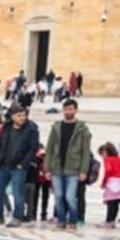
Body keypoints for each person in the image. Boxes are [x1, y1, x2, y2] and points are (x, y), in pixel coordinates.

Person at [0, 105, 38, 228]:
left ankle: (17, 217)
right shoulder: (7, 127)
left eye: (23, 115)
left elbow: (32, 148)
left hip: (18, 166)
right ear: (13, 116)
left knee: (17, 191)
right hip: (4, 164)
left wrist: (23, 163)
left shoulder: (32, 129)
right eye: (19, 115)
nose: (22, 118)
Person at [42, 98, 92, 230]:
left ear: (76, 110)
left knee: (70, 197)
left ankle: (73, 220)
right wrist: (47, 168)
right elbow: (50, 149)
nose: (68, 112)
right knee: (58, 196)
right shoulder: (56, 127)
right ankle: (61, 220)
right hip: (57, 167)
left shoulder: (82, 129)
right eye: (66, 109)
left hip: (73, 168)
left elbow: (86, 152)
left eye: (70, 109)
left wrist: (83, 170)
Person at [96, 142, 120, 228]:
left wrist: (104, 182)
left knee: (111, 203)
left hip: (112, 183)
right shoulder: (119, 159)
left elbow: (108, 171)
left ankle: (110, 220)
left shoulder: (107, 160)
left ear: (105, 153)